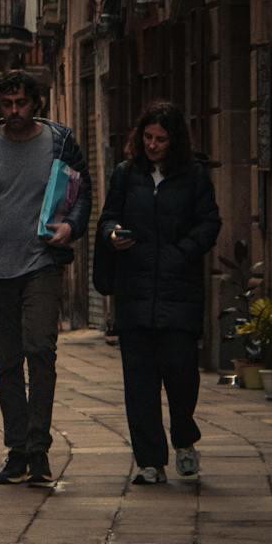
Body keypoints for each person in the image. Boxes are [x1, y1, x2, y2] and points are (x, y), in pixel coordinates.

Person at [0, 70, 90, 487]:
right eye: (7, 104)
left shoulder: (60, 141)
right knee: (7, 362)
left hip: (42, 262)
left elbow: (82, 192)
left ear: (36, 103)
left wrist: (72, 226)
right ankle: (18, 450)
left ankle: (39, 447)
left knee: (40, 349)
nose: (14, 111)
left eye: (21, 103)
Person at [95, 99, 221, 485]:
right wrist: (113, 235)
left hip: (178, 291)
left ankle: (183, 436)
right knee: (139, 383)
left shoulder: (194, 176)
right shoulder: (125, 174)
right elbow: (108, 217)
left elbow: (209, 223)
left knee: (182, 375)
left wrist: (181, 253)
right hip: (134, 291)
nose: (152, 145)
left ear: (174, 140)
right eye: (148, 137)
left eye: (161, 139)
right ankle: (149, 461)